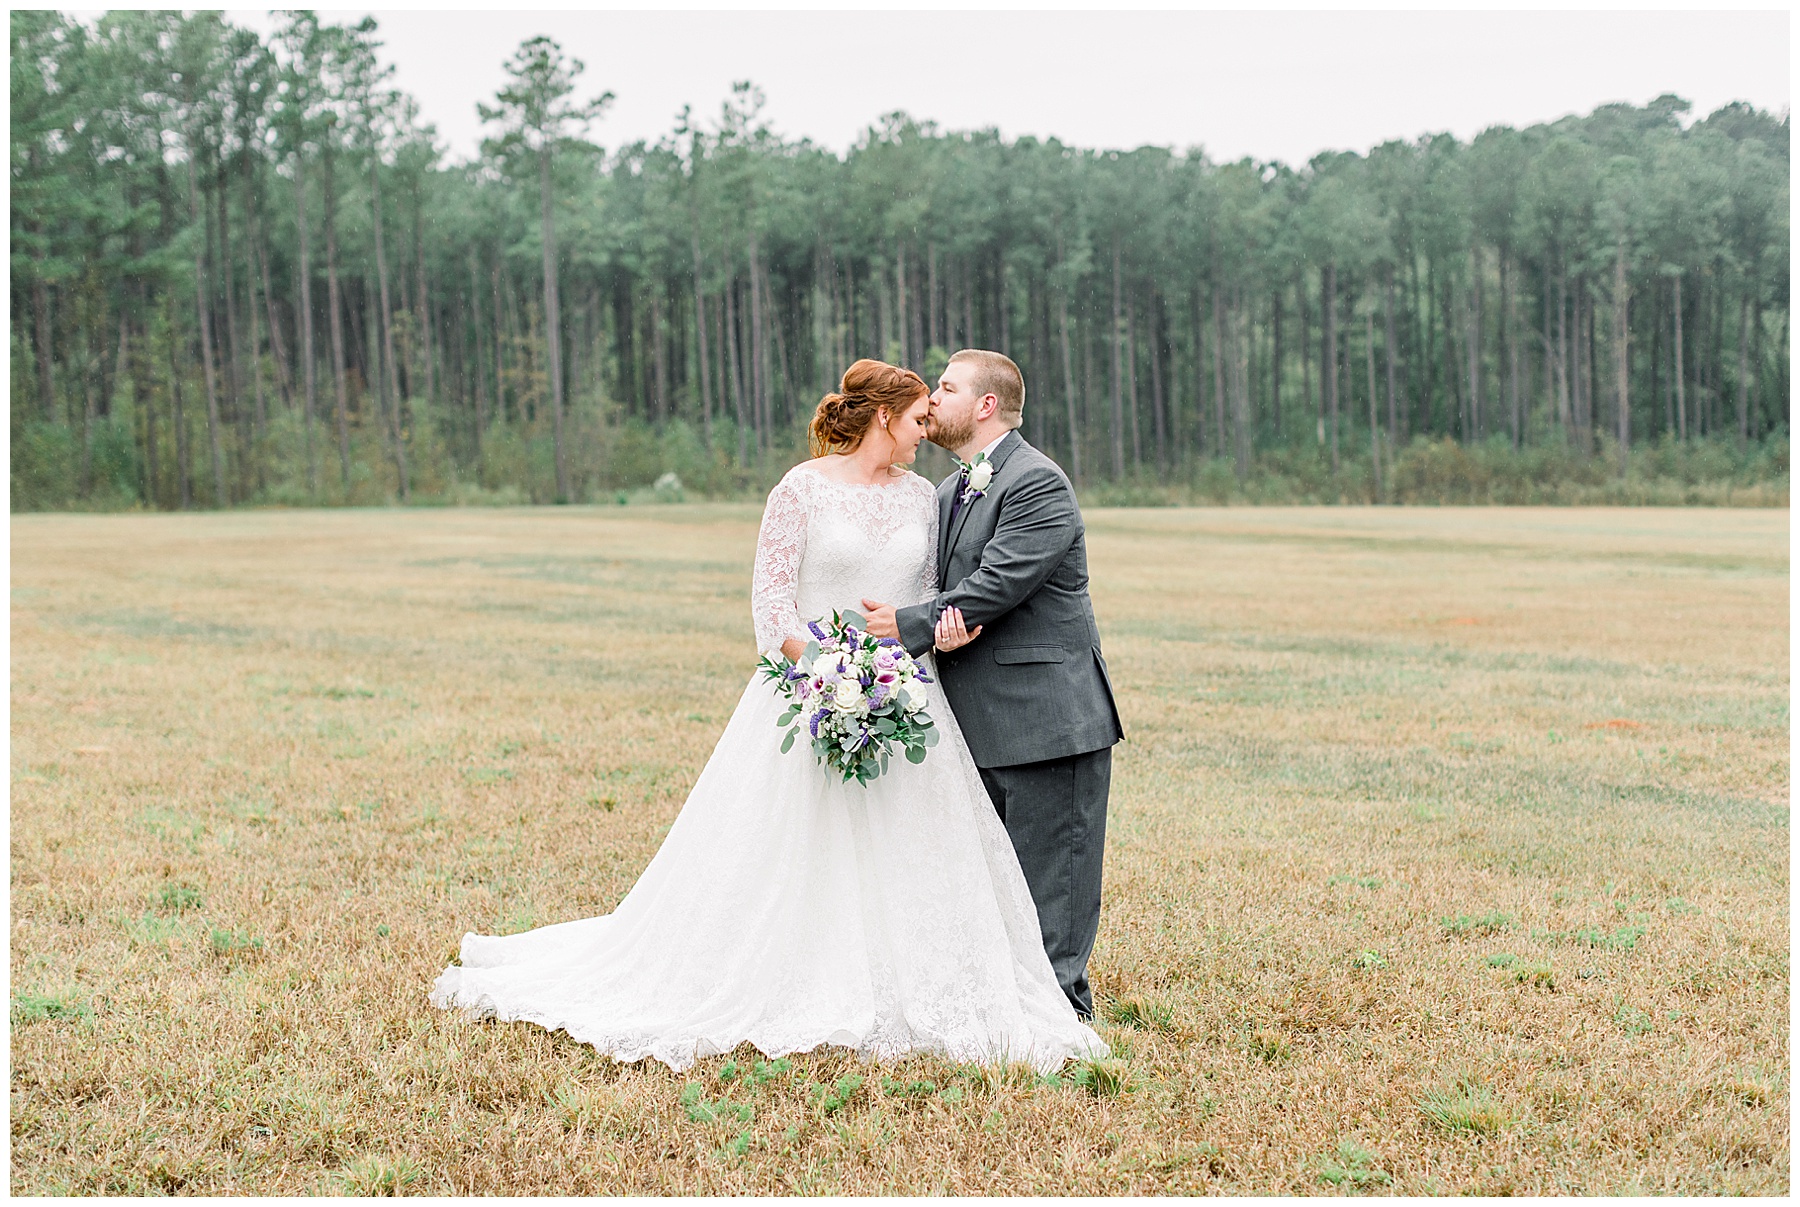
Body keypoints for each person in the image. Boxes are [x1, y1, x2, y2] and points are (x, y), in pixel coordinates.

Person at [430, 358, 1106, 1075]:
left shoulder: (925, 498)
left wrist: (897, 664)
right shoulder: (801, 490)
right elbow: (771, 610)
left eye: (940, 398)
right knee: (786, 859)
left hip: (907, 700)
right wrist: (834, 673)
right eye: (917, 414)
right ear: (884, 417)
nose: (927, 423)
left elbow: (943, 596)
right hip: (811, 692)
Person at [861, 349, 1123, 1020]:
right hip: (977, 723)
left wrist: (907, 625)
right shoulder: (947, 491)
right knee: (992, 884)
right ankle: (1000, 1012)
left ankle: (1063, 1020)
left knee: (1053, 885)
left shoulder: (1038, 482)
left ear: (985, 405)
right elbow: (949, 592)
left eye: (946, 388)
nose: (932, 399)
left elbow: (998, 583)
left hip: (1048, 722)